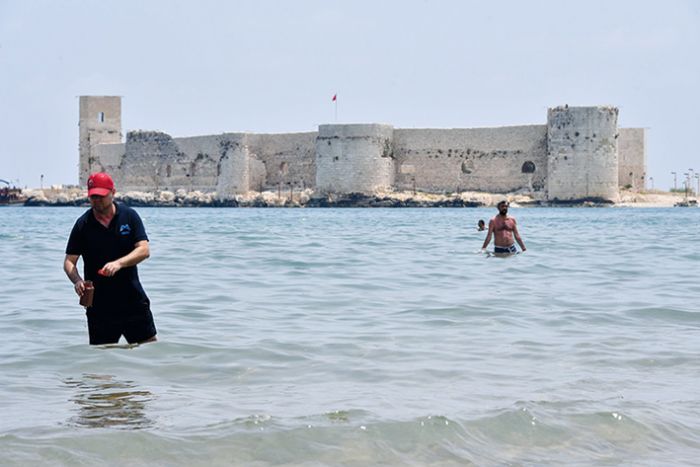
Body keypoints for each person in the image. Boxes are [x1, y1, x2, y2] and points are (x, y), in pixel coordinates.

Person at [63, 172, 157, 345]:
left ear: (113, 192)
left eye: (101, 196)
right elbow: (69, 262)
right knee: (100, 364)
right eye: (93, 196)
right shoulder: (82, 224)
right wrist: (77, 281)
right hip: (99, 306)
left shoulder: (129, 216)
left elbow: (144, 250)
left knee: (149, 355)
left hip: (133, 301)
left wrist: (119, 263)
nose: (97, 200)